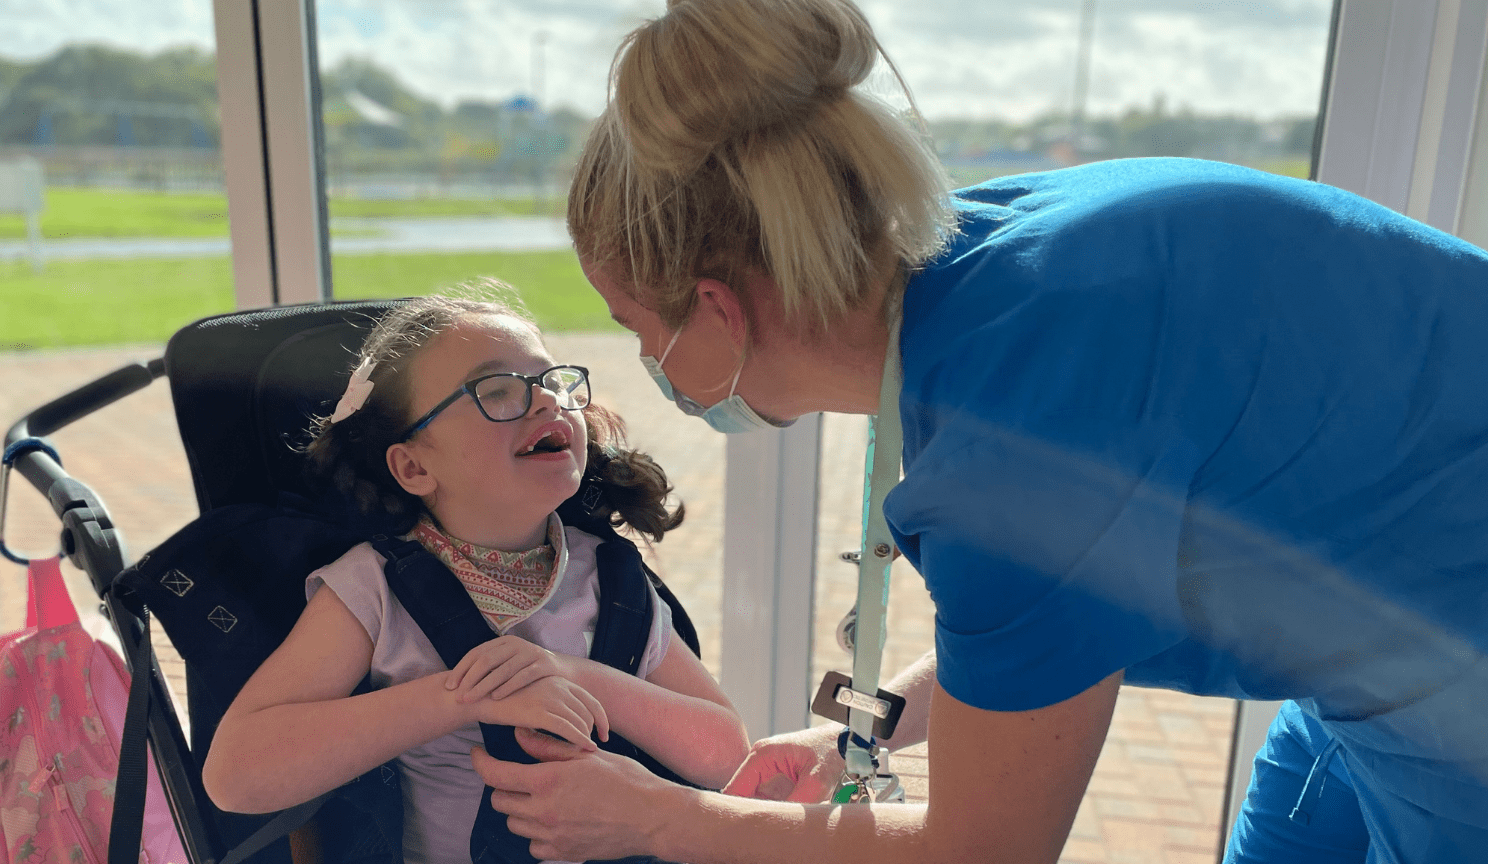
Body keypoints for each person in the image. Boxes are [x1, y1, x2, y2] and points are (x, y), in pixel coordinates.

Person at [464, 1, 1488, 863]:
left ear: (720, 309)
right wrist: (865, 730)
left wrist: (660, 817)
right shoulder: (991, 261)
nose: (643, 364)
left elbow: (983, 850)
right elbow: (1066, 599)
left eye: (635, 326)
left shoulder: (1011, 452)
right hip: (1379, 631)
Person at [202, 291, 750, 864]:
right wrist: (465, 698)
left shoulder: (611, 581)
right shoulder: (373, 590)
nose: (546, 403)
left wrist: (572, 674)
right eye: (496, 392)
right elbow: (236, 776)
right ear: (414, 466)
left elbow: (729, 756)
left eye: (552, 382)